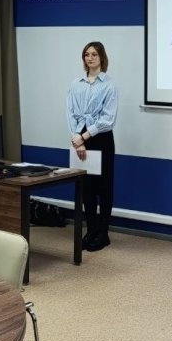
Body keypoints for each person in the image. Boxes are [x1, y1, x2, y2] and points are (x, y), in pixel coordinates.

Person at [67, 41, 118, 252]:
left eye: (94, 54)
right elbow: (70, 112)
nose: (90, 58)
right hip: (80, 138)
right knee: (86, 188)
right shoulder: (76, 83)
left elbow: (108, 119)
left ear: (101, 58)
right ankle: (91, 230)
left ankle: (103, 233)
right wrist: (76, 138)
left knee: (103, 188)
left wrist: (84, 136)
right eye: (86, 54)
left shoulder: (109, 84)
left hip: (100, 138)